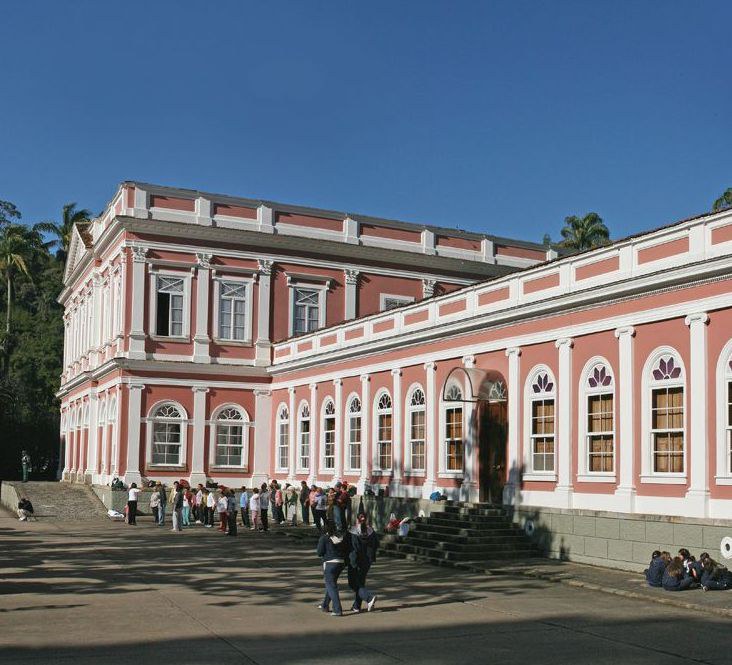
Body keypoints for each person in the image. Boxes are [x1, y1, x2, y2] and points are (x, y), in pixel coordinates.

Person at [316, 521, 350, 616]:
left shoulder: (324, 538)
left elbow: (319, 552)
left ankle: (337, 609)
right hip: (340, 563)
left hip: (330, 563)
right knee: (331, 584)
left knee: (331, 586)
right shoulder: (339, 537)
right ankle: (325, 605)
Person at [348, 512, 379, 612]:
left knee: (353, 583)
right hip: (367, 561)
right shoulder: (371, 531)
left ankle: (368, 598)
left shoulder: (353, 531)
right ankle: (357, 606)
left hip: (356, 561)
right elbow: (377, 544)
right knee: (361, 582)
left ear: (357, 520)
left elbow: (352, 547)